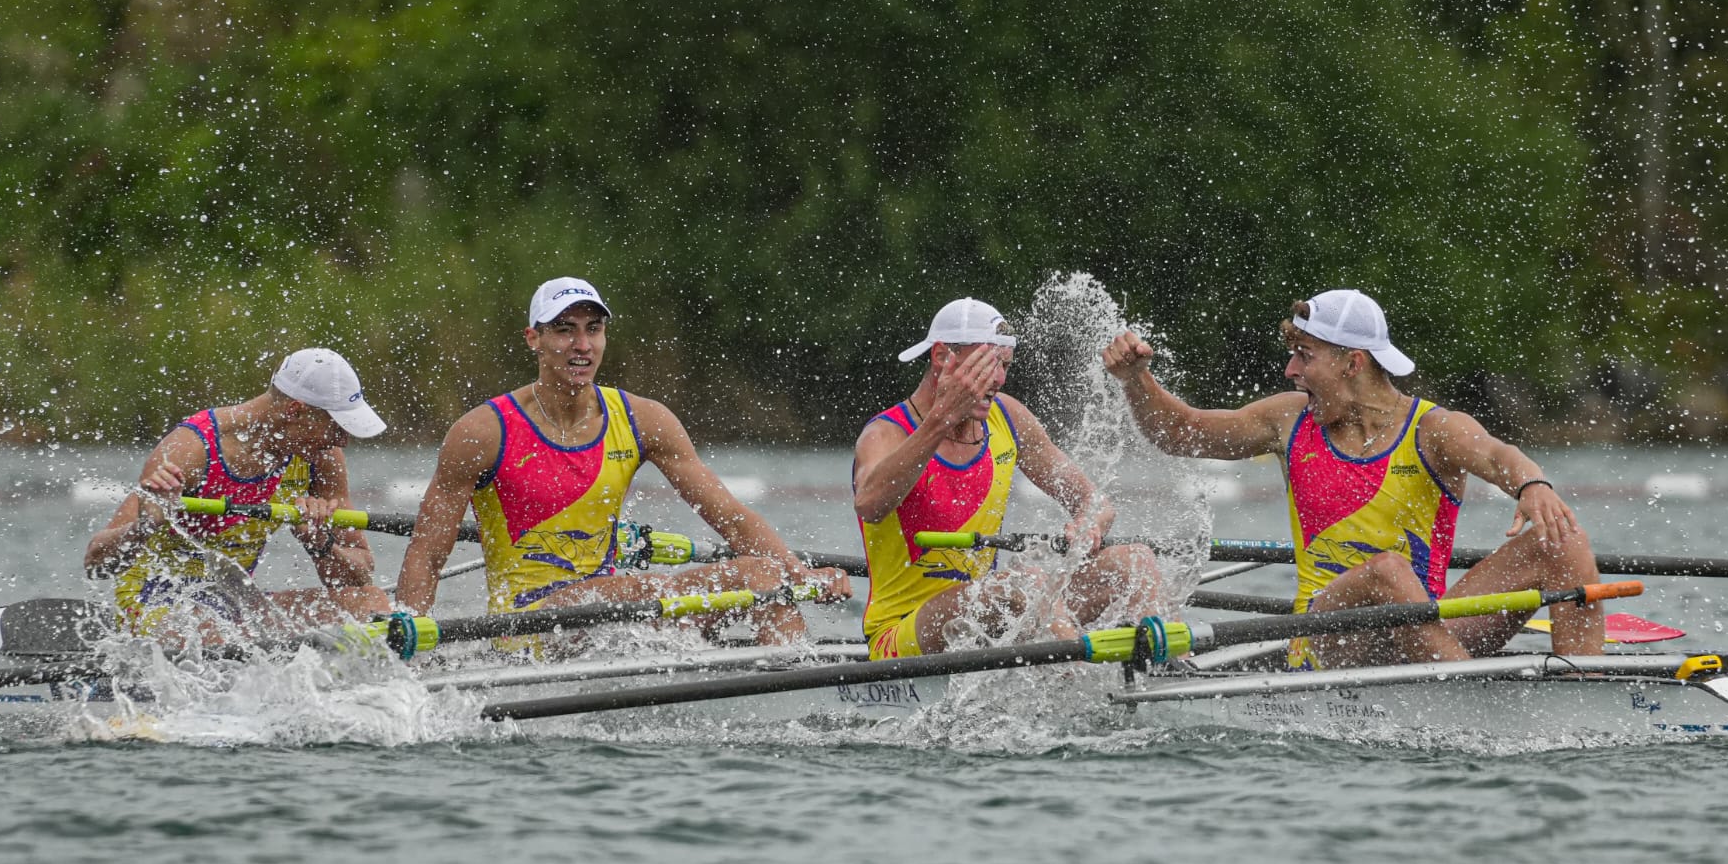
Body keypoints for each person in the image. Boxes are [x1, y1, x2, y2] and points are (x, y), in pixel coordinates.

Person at [1102, 289, 1604, 667]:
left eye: (1305, 355)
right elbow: (1181, 433)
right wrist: (1136, 380)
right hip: (1327, 637)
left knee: (1563, 540)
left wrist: (1533, 485)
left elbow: (1498, 455)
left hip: (1423, 629)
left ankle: (1586, 691)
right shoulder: (1288, 420)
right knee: (1387, 571)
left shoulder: (1433, 429)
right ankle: (1463, 692)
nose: (1290, 369)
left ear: (1353, 363)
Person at [392, 278, 850, 642]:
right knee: (732, 579)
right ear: (534, 339)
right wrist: (410, 645)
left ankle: (792, 689)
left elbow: (731, 517)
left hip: (613, 614)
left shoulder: (644, 420)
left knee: (768, 576)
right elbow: (427, 554)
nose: (582, 344)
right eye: (564, 330)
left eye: (593, 329)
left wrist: (798, 572)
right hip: (527, 624)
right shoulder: (482, 432)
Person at [853, 297, 1166, 659]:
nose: (999, 379)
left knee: (1135, 562)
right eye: (987, 363)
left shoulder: (1007, 417)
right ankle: (1079, 677)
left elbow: (1096, 502)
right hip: (902, 636)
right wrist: (941, 419)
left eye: (1004, 365)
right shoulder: (885, 434)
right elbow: (869, 505)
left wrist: (1088, 524)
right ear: (942, 356)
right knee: (1024, 584)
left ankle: (1172, 670)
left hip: (990, 615)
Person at [84, 348, 391, 635]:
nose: (342, 440)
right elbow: (96, 565)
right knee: (214, 629)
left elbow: (360, 575)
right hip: (152, 602)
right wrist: (147, 525)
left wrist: (320, 543)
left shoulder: (320, 455)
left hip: (233, 604)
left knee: (368, 603)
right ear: (295, 410)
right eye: (335, 426)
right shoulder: (190, 450)